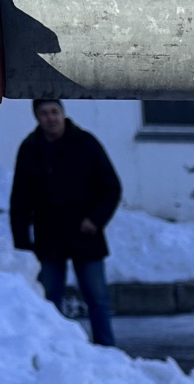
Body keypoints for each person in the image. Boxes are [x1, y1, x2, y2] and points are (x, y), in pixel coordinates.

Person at [10, 98, 122, 347]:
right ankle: (55, 350)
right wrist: (22, 243)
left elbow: (111, 187)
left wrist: (95, 220)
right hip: (48, 235)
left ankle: (107, 351)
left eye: (54, 112)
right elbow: (20, 200)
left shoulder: (85, 143)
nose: (50, 118)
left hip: (85, 233)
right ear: (36, 117)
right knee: (48, 300)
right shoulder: (30, 148)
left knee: (97, 299)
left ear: (63, 113)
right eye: (44, 113)